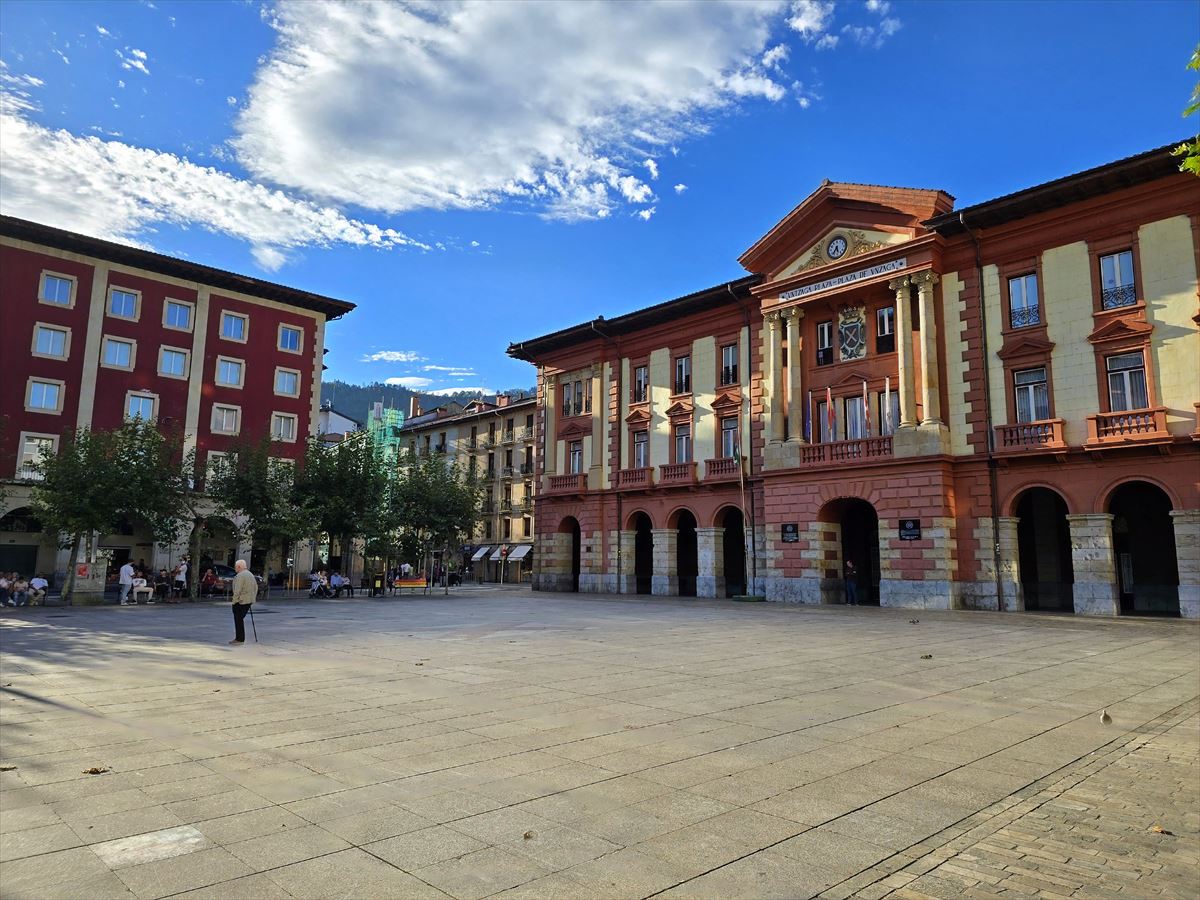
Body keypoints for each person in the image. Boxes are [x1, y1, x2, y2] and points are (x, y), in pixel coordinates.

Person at [229, 559, 256, 645]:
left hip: (241, 601)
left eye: (236, 567)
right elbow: (256, 587)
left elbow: (237, 590)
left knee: (238, 620)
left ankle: (239, 639)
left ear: (239, 567)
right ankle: (240, 638)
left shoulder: (240, 575)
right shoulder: (250, 574)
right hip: (249, 600)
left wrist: (234, 601)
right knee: (240, 619)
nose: (235, 568)